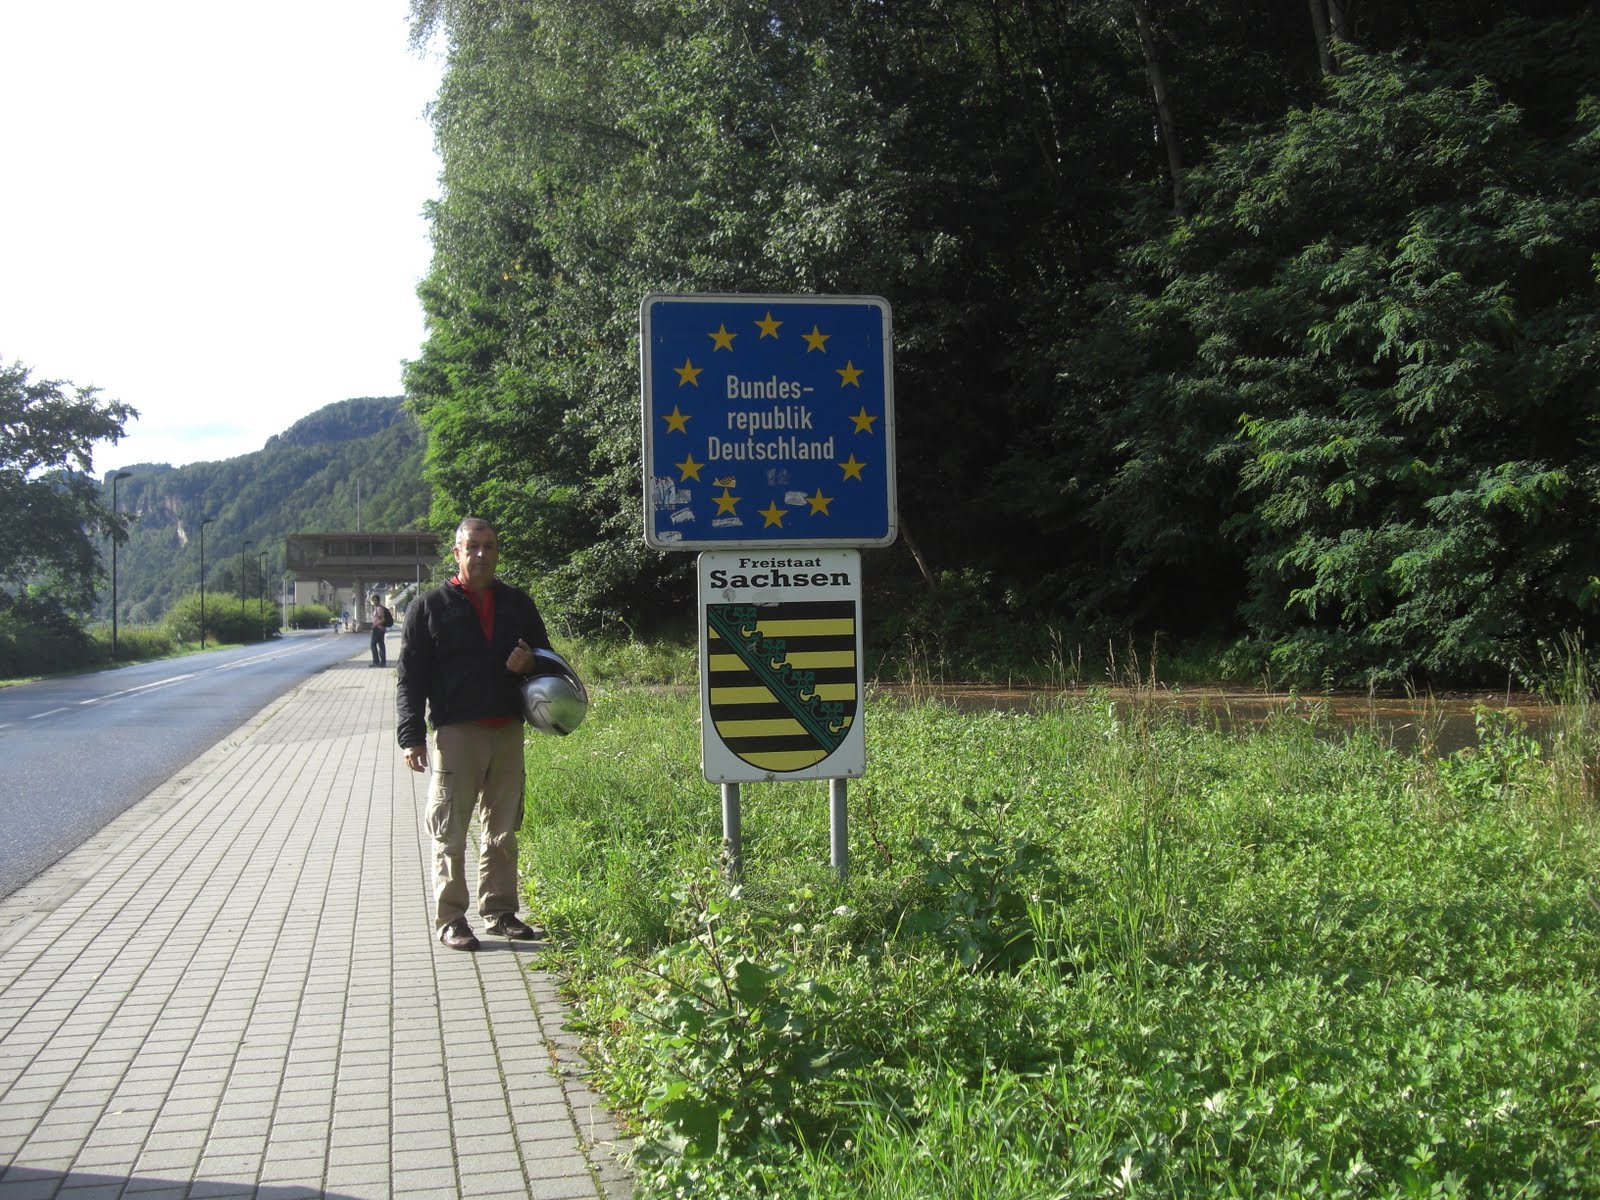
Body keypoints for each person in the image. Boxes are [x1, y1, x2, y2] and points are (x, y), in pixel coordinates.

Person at [396, 517, 551, 950]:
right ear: (457, 553)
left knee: (503, 830)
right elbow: (410, 678)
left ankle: (500, 912)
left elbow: (546, 657)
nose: (481, 554)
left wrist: (530, 663)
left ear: (497, 552)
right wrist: (411, 736)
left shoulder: (518, 604)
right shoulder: (428, 607)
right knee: (449, 830)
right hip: (455, 733)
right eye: (473, 546)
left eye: (489, 546)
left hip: (507, 730)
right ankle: (451, 919)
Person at [369, 593, 393, 666]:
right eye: (373, 601)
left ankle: (376, 661)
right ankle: (383, 663)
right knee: (381, 645)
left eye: (375, 600)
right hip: (381, 629)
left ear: (378, 601)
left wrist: (374, 625)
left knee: (373, 645)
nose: (374, 602)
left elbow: (383, 620)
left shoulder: (379, 608)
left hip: (378, 629)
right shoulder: (377, 608)